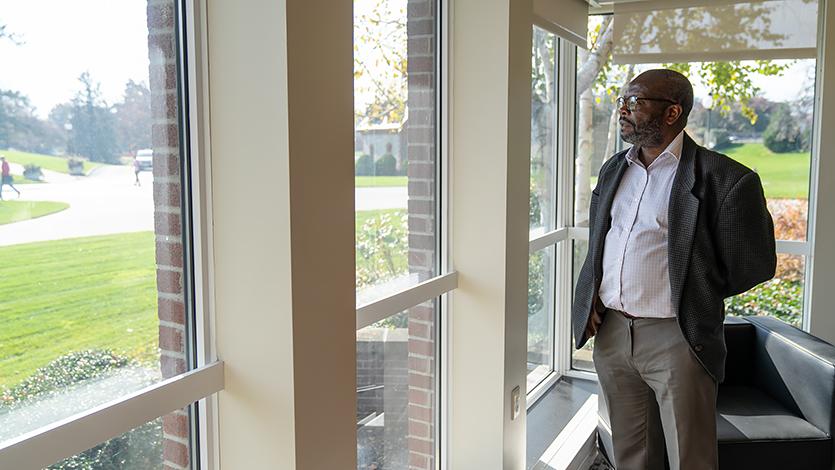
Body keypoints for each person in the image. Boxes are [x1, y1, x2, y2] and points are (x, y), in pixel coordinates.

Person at [572, 69, 776, 470]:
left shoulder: (728, 179)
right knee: (631, 456)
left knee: (691, 459)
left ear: (672, 113)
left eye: (636, 102)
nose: (623, 111)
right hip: (613, 335)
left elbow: (753, 265)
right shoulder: (616, 168)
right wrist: (595, 294)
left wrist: (692, 288)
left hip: (678, 339)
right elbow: (603, 243)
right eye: (622, 102)